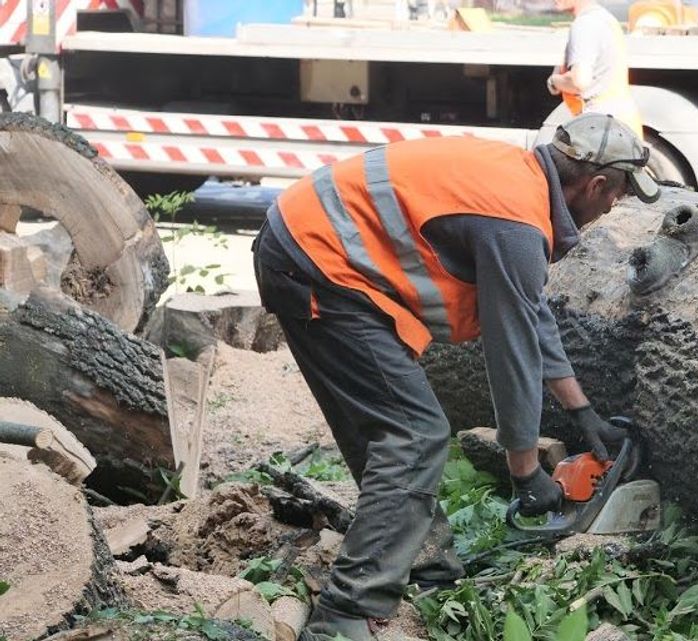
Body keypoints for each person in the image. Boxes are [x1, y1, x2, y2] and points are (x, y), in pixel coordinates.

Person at [252, 113, 659, 641]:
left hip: (302, 249)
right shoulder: (514, 221)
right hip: (321, 264)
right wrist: (524, 471)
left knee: (385, 431)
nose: (614, 206)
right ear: (596, 184)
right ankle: (345, 615)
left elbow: (531, 316)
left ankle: (426, 564)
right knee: (414, 434)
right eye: (619, 193)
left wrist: (583, 413)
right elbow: (512, 351)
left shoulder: (517, 184)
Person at [547, 0, 643, 137]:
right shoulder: (605, 19)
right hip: (618, 125)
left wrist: (554, 81)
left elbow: (579, 81)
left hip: (600, 129)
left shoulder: (585, 24)